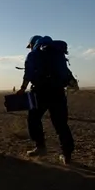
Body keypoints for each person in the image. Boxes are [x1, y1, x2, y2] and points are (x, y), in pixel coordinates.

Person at [16, 35, 75, 165]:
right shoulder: (57, 54)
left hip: (40, 92)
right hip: (58, 92)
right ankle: (67, 155)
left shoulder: (33, 55)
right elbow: (65, 71)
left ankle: (40, 147)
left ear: (32, 44)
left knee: (33, 119)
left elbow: (28, 74)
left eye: (30, 46)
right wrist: (72, 82)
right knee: (61, 124)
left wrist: (22, 88)